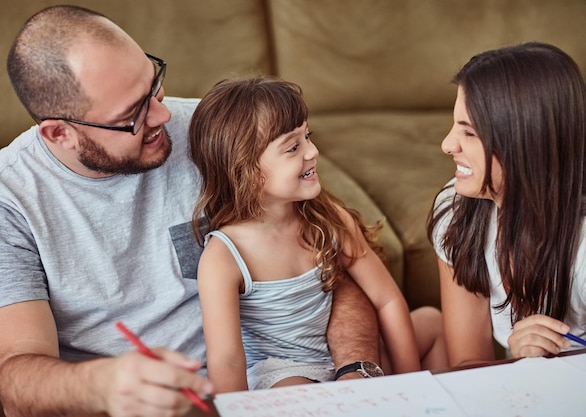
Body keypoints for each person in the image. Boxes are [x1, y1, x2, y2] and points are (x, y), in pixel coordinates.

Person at [0, 6, 381, 417]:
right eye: (132, 116)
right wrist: (104, 384)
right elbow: (16, 378)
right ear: (59, 133)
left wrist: (354, 369)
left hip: (273, 384)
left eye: (154, 85)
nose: (163, 114)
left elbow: (331, 260)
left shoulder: (210, 130)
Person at [188, 76, 448, 393]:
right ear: (247, 172)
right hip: (282, 375)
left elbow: (388, 300)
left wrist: (409, 383)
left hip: (343, 361)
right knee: (299, 393)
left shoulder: (328, 218)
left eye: (307, 137)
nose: (312, 152)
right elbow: (226, 360)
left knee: (432, 322)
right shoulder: (224, 256)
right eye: (293, 147)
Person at [427, 41, 586, 367]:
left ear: (525, 145)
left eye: (469, 133)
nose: (447, 144)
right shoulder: (457, 210)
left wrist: (545, 369)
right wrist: (521, 367)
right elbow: (468, 364)